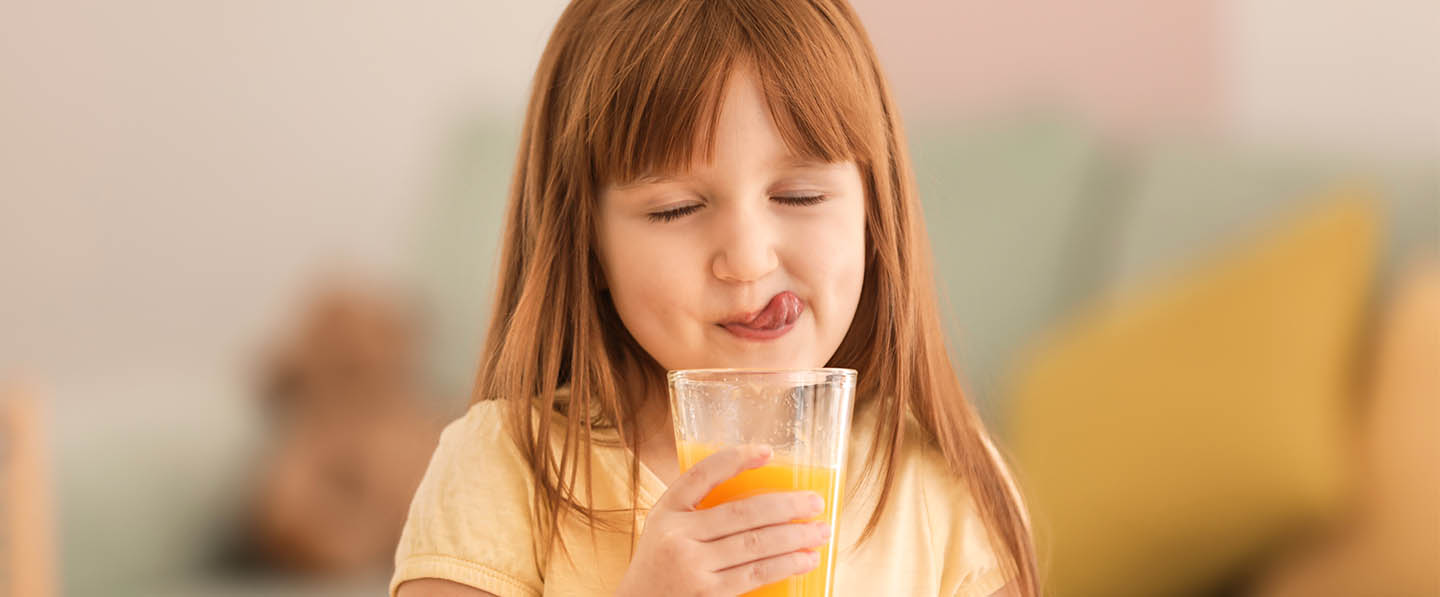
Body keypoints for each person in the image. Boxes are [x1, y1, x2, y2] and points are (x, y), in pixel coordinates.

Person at [392, 1, 1038, 595]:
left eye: (800, 196)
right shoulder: (505, 469)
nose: (749, 260)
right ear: (585, 243)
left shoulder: (945, 479)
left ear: (876, 214)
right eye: (677, 209)